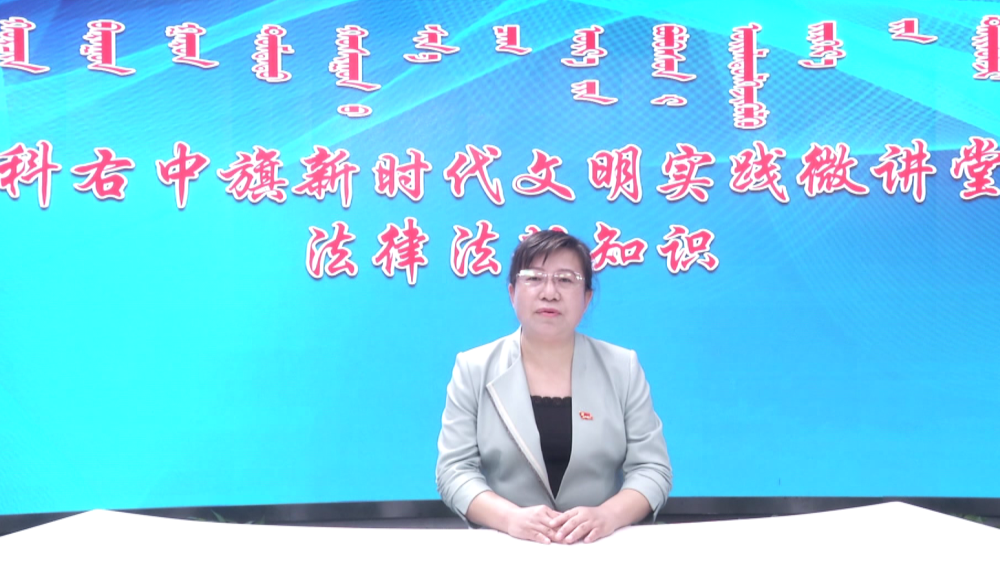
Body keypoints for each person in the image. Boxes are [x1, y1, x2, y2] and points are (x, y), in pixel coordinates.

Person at [435, 230, 672, 545]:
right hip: (505, 546)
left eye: (565, 279)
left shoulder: (622, 367)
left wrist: (607, 515)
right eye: (534, 278)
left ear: (587, 298)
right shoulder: (474, 368)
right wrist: (510, 518)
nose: (549, 292)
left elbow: (652, 469)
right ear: (512, 293)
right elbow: (454, 471)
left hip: (600, 547)